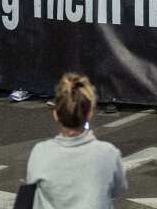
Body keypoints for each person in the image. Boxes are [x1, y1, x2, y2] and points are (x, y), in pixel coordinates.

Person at [25, 73, 127, 209]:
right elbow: (118, 189)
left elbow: (30, 188)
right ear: (90, 113)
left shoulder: (40, 152)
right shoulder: (109, 153)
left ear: (56, 114)